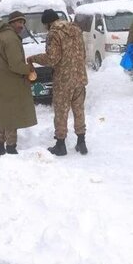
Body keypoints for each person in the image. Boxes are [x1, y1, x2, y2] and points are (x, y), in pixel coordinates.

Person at [28, 9, 89, 156]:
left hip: (63, 81)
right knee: (79, 111)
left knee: (61, 113)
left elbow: (52, 58)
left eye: (44, 25)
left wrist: (33, 58)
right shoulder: (75, 29)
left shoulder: (54, 33)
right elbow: (83, 53)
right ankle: (82, 142)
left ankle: (60, 145)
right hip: (80, 78)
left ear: (48, 23)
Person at [0, 10, 37, 157]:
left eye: (23, 22)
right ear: (11, 23)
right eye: (18, 22)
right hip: (11, 83)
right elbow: (15, 65)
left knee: (0, 114)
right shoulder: (11, 39)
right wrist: (29, 69)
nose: (21, 25)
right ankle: (10, 147)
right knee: (11, 115)